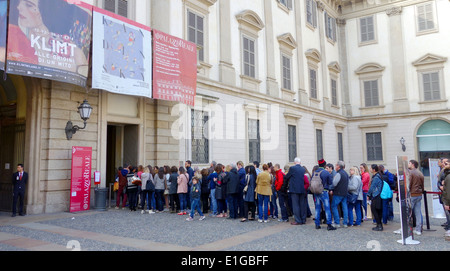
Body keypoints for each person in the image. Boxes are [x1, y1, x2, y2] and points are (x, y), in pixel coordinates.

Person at [312, 160, 335, 230]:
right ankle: (329, 224)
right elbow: (330, 183)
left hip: (316, 192)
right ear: (325, 165)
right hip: (324, 192)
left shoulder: (315, 172)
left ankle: (317, 224)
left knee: (317, 208)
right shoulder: (326, 173)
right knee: (327, 208)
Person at [285, 158, 307, 225]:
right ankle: (303, 219)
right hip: (302, 189)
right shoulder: (303, 169)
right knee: (302, 205)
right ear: (300, 162)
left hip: (294, 189)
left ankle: (298, 220)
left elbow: (287, 177)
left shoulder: (292, 168)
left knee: (295, 205)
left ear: (294, 162)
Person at [330, 161, 349, 228]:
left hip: (338, 192)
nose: (335, 166)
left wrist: (331, 188)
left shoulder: (339, 174)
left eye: (336, 165)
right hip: (345, 192)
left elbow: (334, 183)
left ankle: (337, 222)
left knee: (334, 206)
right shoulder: (346, 173)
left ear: (338, 166)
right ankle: (345, 223)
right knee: (344, 207)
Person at [408, 159, 424, 235]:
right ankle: (418, 229)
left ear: (413, 164)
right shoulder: (420, 173)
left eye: (409, 163)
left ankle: (407, 228)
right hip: (419, 194)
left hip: (413, 194)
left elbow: (409, 184)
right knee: (418, 213)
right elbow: (422, 184)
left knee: (408, 212)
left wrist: (408, 191)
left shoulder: (411, 173)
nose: (408, 164)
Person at [367, 164, 384, 231]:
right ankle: (379, 225)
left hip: (376, 196)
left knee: (375, 210)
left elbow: (372, 187)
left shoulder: (376, 177)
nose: (370, 169)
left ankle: (379, 225)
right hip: (378, 196)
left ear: (374, 170)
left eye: (370, 168)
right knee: (378, 211)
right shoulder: (378, 176)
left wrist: (368, 194)